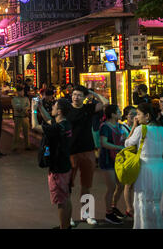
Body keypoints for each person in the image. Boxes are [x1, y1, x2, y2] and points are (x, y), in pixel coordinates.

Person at [67, 85, 108, 226]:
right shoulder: (67, 109)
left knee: (86, 185)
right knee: (68, 187)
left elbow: (105, 103)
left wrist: (92, 92)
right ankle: (68, 216)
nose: (75, 97)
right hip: (71, 152)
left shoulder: (88, 109)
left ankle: (86, 214)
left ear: (84, 97)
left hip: (88, 151)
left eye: (79, 95)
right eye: (74, 94)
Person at [31, 98, 73, 229]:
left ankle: (63, 227)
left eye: (54, 107)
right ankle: (66, 225)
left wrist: (33, 110)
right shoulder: (65, 124)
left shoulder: (56, 128)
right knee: (66, 198)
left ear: (59, 111)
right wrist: (40, 107)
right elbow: (49, 118)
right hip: (66, 165)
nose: (52, 109)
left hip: (57, 169)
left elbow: (35, 126)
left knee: (61, 202)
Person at [124, 103, 163, 229]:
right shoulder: (162, 129)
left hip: (145, 167)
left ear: (147, 115)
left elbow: (127, 143)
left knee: (143, 198)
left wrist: (134, 127)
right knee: (157, 199)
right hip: (160, 166)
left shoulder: (141, 129)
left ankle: (144, 226)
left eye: (139, 114)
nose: (137, 117)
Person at [99, 105, 126, 224]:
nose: (120, 113)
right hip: (107, 159)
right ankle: (108, 213)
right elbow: (104, 143)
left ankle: (113, 207)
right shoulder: (105, 126)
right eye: (119, 111)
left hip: (118, 159)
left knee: (120, 185)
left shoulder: (119, 126)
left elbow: (122, 139)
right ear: (113, 114)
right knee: (111, 187)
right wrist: (119, 147)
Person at [120, 106, 137, 218]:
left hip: (136, 157)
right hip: (127, 158)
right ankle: (129, 208)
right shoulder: (122, 127)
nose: (134, 116)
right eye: (131, 114)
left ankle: (134, 207)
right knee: (128, 185)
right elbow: (125, 142)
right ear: (126, 115)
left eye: (135, 113)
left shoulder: (139, 127)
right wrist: (134, 128)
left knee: (136, 184)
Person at [11, 86, 31, 151]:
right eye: (20, 91)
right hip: (18, 117)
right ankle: (15, 146)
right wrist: (23, 109)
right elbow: (15, 107)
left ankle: (27, 145)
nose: (22, 93)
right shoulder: (14, 99)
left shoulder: (26, 98)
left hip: (25, 117)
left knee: (26, 132)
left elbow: (28, 105)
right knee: (16, 132)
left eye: (22, 91)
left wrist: (24, 109)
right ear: (17, 92)